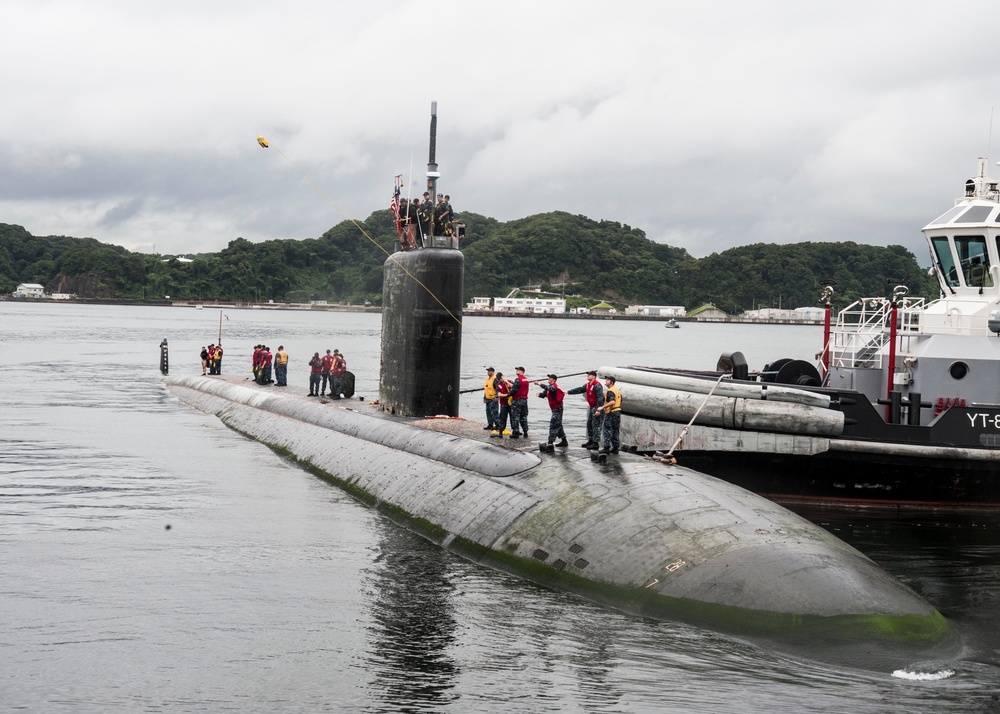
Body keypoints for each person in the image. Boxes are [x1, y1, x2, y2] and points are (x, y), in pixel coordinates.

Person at [567, 371, 604, 449]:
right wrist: (568, 392)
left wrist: (599, 410)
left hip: (596, 407)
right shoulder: (587, 385)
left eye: (589, 375)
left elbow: (600, 398)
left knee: (596, 425)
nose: (588, 376)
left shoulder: (597, 385)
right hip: (591, 407)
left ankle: (595, 443)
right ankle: (590, 440)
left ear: (594, 376)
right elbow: (580, 389)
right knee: (589, 424)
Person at [535, 373, 568, 447]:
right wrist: (540, 395)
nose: (548, 379)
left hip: (558, 408)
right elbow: (544, 394)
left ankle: (550, 442)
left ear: (554, 380)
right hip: (554, 408)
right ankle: (564, 441)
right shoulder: (549, 388)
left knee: (554, 424)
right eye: (548, 378)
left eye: (550, 378)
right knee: (558, 424)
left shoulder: (554, 387)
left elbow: (549, 388)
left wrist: (539, 384)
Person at [595, 375, 622, 454]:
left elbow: (612, 401)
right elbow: (620, 400)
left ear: (611, 382)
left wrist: (602, 407)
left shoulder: (610, 391)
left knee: (607, 429)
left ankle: (606, 447)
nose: (606, 381)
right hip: (617, 411)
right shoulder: (617, 390)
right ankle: (615, 447)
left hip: (611, 412)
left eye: (607, 380)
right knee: (615, 430)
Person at [508, 366, 530, 439]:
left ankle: (516, 432)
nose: (516, 371)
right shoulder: (526, 379)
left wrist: (508, 395)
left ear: (521, 371)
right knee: (523, 416)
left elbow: (514, 390)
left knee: (515, 416)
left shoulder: (518, 380)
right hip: (524, 400)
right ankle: (525, 431)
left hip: (517, 400)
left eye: (517, 370)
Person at [493, 372, 511, 438]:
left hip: (511, 403)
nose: (501, 380)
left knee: (513, 417)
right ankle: (501, 431)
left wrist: (507, 382)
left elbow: (515, 387)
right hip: (503, 404)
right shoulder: (498, 385)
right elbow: (499, 394)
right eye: (499, 379)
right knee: (503, 418)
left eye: (501, 378)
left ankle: (515, 431)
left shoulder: (509, 381)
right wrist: (507, 395)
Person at [483, 367, 499, 433]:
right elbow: (486, 390)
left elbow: (498, 388)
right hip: (488, 399)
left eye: (489, 371)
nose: (488, 372)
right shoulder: (487, 380)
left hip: (493, 398)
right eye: (488, 371)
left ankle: (497, 424)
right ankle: (490, 424)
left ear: (493, 372)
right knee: (488, 412)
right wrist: (484, 398)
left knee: (494, 413)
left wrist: (497, 397)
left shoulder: (495, 379)